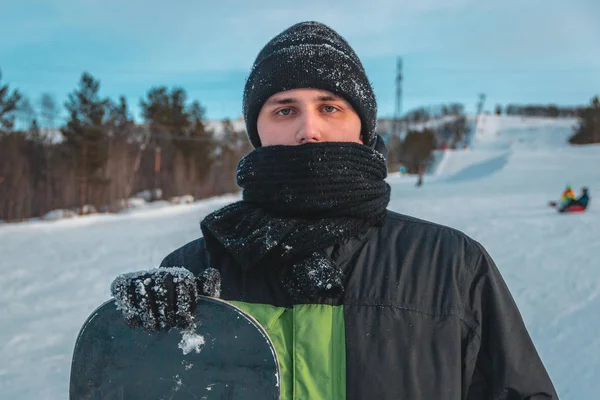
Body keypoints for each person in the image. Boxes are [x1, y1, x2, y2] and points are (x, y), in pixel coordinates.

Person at [111, 21, 558, 399]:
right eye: (284, 110)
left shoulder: (451, 264)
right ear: (257, 131)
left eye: (330, 107)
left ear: (362, 127)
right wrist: (136, 349)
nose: (310, 130)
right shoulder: (196, 270)